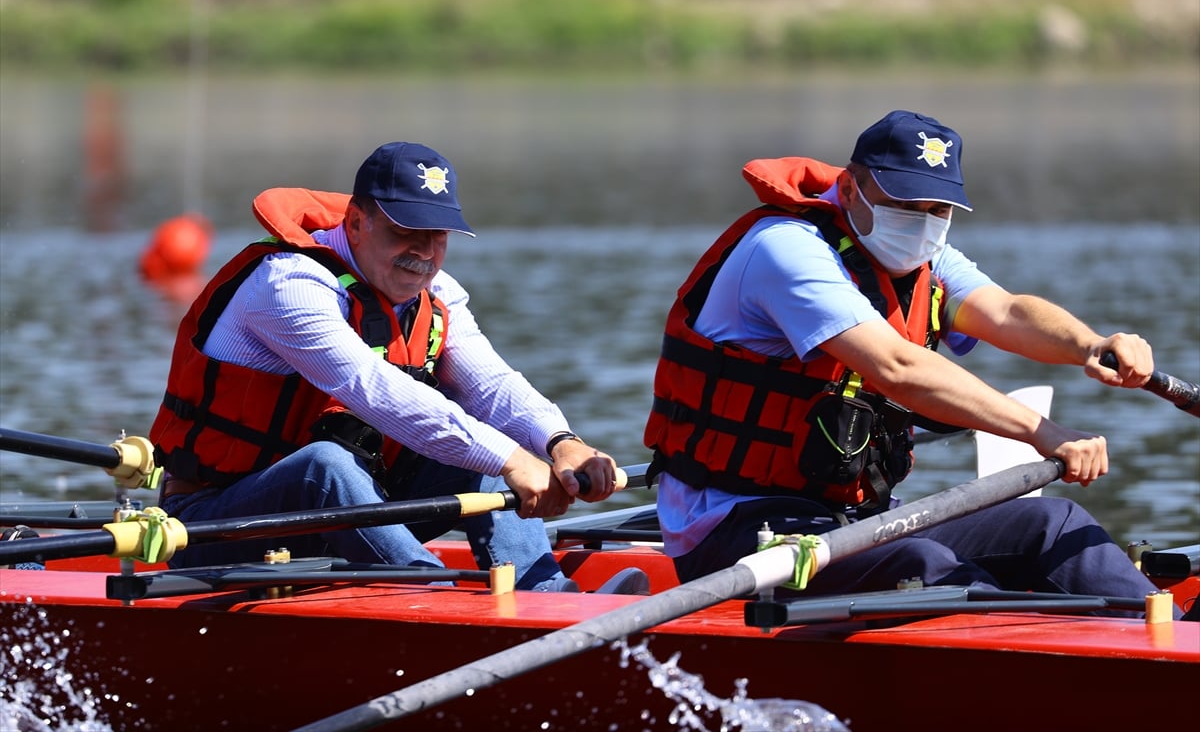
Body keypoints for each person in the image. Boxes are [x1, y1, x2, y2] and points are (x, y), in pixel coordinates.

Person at [644, 110, 1177, 615]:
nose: (921, 224)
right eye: (904, 204)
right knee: (927, 569)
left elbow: (1008, 311)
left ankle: (1171, 640)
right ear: (852, 187)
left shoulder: (920, 255)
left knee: (1052, 521)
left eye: (937, 211)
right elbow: (898, 366)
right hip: (736, 529)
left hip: (849, 517)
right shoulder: (785, 249)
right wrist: (1043, 432)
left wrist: (1091, 344)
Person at [151, 141, 643, 594]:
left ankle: (551, 600)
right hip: (214, 526)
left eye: (439, 236)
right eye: (405, 231)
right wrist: (514, 461)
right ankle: (434, 601)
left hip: (348, 513)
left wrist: (562, 443)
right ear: (358, 222)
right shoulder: (287, 286)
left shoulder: (437, 294)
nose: (425, 253)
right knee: (329, 464)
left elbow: (491, 384)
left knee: (490, 455)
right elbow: (375, 391)